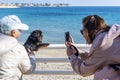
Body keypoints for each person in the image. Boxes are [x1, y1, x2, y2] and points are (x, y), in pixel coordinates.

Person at [65, 15, 120, 80]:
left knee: (103, 75)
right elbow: (101, 57)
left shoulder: (101, 44)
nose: (83, 35)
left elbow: (83, 71)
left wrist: (71, 56)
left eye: (82, 32)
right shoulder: (113, 34)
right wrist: (78, 52)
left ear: (86, 32)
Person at [0, 15, 36, 80]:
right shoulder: (18, 48)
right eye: (19, 30)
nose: (21, 32)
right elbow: (28, 70)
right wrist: (32, 57)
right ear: (13, 33)